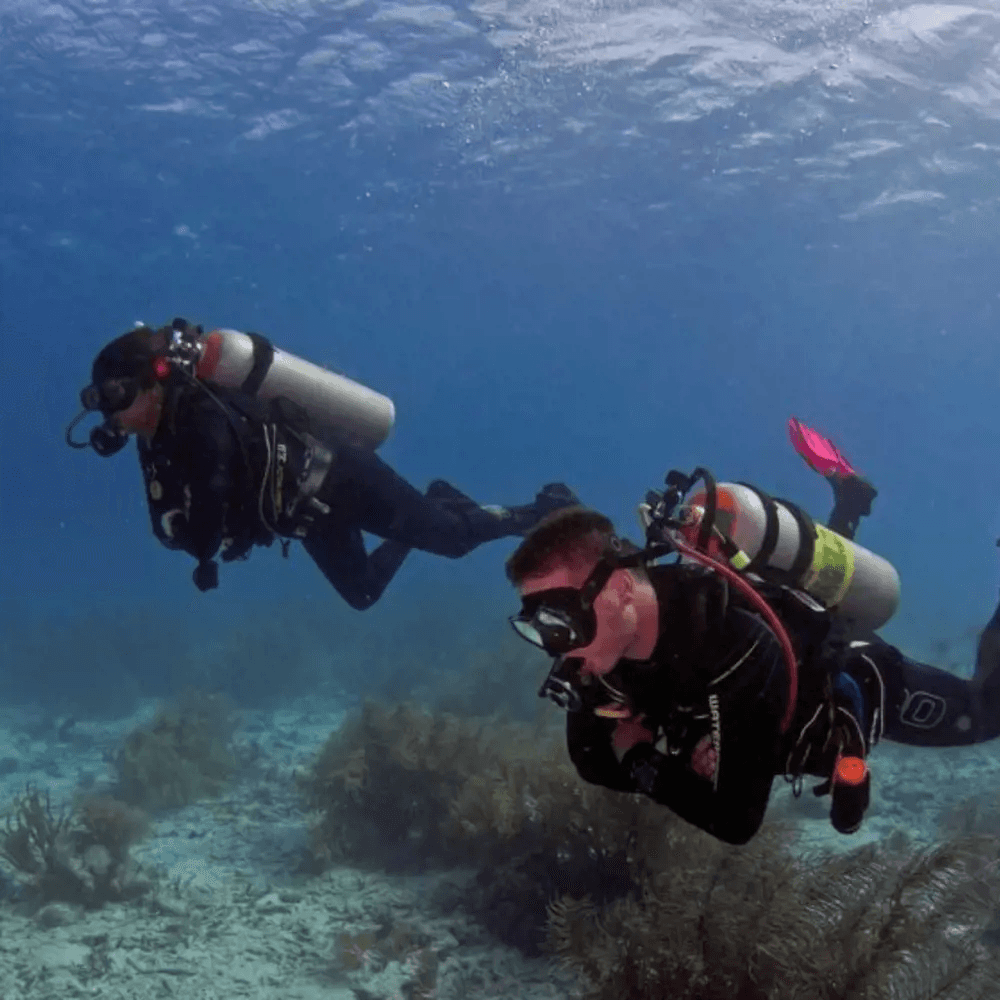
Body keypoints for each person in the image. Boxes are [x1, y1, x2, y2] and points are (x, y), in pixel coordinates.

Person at [503, 429, 1000, 845]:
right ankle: (849, 501)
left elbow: (734, 821)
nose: (556, 648)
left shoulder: (733, 644)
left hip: (862, 683)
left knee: (987, 711)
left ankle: (850, 512)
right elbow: (590, 763)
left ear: (616, 589)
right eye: (537, 627)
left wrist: (639, 755)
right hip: (765, 690)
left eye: (557, 622)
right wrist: (676, 762)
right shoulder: (595, 651)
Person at [66, 319, 578, 607]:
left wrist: (202, 554)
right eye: (104, 401)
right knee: (362, 592)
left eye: (119, 395)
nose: (113, 412)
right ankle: (437, 502)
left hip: (339, 474)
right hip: (306, 512)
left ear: (154, 381)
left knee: (452, 541)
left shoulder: (199, 412)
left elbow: (215, 481)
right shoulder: (155, 435)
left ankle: (539, 510)